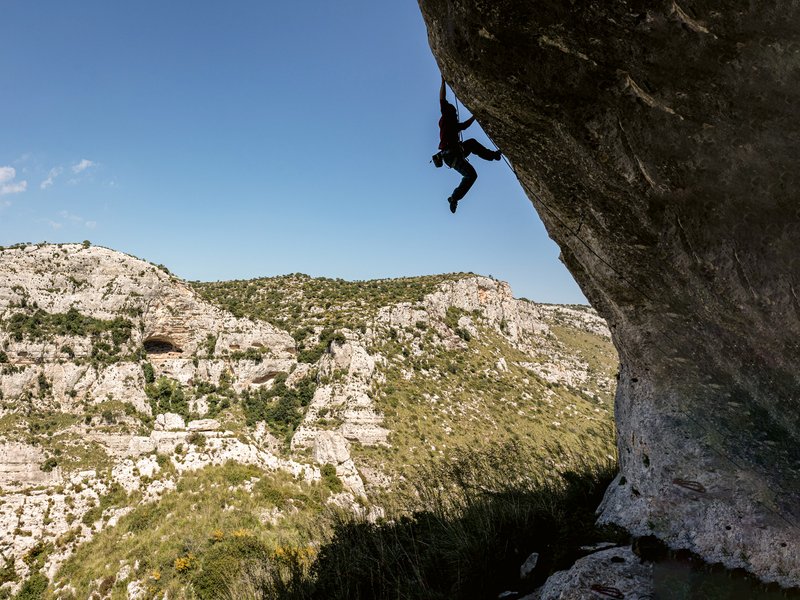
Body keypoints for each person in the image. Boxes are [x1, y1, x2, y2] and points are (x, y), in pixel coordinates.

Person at [438, 76, 501, 214]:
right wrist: (443, 83)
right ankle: (454, 198)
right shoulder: (448, 118)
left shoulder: (450, 122)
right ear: (450, 113)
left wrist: (475, 116)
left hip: (454, 152)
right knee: (471, 175)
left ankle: (493, 155)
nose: (456, 115)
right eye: (455, 113)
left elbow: (464, 125)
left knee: (471, 143)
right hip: (451, 155)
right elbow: (442, 99)